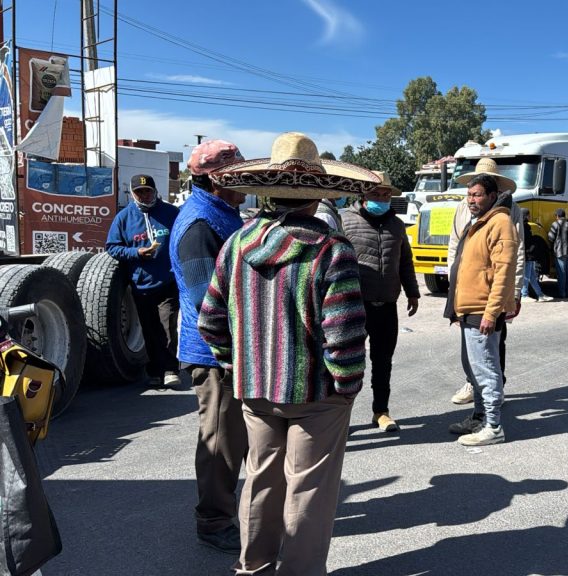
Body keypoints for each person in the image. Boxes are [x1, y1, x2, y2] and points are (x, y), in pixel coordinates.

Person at [198, 132, 377, 574]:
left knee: (260, 482)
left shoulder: (237, 244)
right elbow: (346, 337)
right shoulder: (330, 251)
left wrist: (236, 364)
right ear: (316, 198)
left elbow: (210, 321)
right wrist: (347, 386)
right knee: (308, 492)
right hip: (318, 396)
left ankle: (253, 567)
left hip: (256, 388)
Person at [169, 139, 248, 553]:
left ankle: (225, 510)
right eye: (237, 177)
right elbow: (206, 300)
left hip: (228, 349)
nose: (245, 184)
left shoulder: (222, 214)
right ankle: (213, 521)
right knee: (220, 441)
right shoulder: (200, 224)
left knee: (233, 439)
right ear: (217, 180)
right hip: (212, 353)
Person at [339, 172, 420, 432]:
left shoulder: (396, 225)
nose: (382, 199)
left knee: (383, 361)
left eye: (386, 195)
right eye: (376, 194)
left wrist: (412, 291)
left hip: (386, 305)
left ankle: (381, 411)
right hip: (352, 306)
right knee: (347, 363)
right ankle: (338, 416)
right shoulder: (344, 221)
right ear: (363, 195)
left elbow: (405, 261)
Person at [443, 172, 518, 446]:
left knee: (486, 369)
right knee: (475, 369)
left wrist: (491, 311)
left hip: (482, 310)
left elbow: (504, 272)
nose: (471, 200)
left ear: (492, 196)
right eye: (469, 195)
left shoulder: (500, 223)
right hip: (469, 309)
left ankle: (494, 426)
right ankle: (480, 418)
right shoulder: (478, 223)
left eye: (477, 195)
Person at [106, 174, 180, 387]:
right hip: (141, 283)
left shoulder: (170, 213)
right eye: (140, 192)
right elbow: (112, 247)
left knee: (167, 325)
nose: (145, 195)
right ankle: (154, 371)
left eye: (148, 191)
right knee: (150, 328)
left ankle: (170, 370)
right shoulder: (124, 217)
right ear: (133, 193)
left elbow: (183, 237)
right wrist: (136, 252)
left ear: (155, 191)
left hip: (168, 280)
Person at [520, 208, 551, 302]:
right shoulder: (523, 227)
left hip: (529, 254)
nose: (530, 217)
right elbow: (524, 242)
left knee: (532, 277)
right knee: (526, 276)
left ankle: (540, 294)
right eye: (528, 215)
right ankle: (524, 295)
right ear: (526, 216)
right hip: (527, 254)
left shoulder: (524, 226)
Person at [548, 208, 568, 298]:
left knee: (562, 273)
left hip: (560, 252)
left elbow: (551, 237)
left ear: (557, 216)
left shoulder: (555, 224)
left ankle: (562, 293)